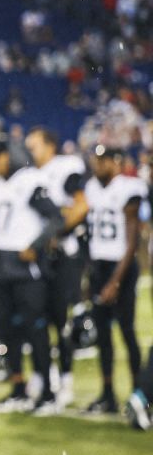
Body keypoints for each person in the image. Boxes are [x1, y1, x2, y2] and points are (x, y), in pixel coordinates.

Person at [0, 142, 61, 414]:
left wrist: (35, 245)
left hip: (26, 268)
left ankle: (48, 393)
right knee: (8, 331)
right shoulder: (1, 183)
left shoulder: (29, 180)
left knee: (35, 329)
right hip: (2, 265)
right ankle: (18, 388)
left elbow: (55, 217)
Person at [25, 127, 88, 408]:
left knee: (63, 322)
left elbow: (81, 206)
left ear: (50, 145)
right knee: (41, 318)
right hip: (42, 257)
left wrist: (57, 231)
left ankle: (65, 380)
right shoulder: (32, 175)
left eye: (35, 145)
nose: (31, 152)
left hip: (64, 255)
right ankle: (45, 376)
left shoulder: (67, 167)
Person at [82, 145, 146, 414]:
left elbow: (132, 241)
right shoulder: (92, 188)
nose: (98, 165)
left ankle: (138, 393)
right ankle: (107, 393)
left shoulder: (129, 188)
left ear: (116, 162)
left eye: (103, 160)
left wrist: (116, 280)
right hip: (99, 265)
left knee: (126, 331)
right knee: (103, 335)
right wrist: (89, 274)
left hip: (121, 266)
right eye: (96, 160)